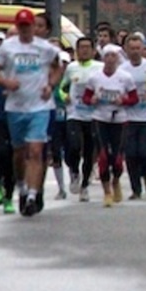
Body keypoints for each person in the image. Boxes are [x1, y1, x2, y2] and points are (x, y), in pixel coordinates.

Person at [0, 9, 62, 216]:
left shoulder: (45, 48)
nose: (25, 29)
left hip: (39, 106)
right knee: (19, 152)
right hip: (15, 107)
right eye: (21, 26)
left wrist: (51, 85)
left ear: (32, 26)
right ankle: (22, 185)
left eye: (27, 25)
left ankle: (32, 194)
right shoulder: (7, 47)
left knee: (36, 151)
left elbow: (58, 68)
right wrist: (6, 82)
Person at [82, 44, 139, 207]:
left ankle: (116, 180)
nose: (109, 60)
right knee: (103, 156)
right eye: (107, 56)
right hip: (100, 118)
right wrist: (92, 100)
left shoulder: (125, 77)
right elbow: (86, 97)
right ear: (103, 58)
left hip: (119, 119)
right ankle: (107, 192)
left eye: (113, 56)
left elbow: (134, 99)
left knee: (118, 159)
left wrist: (124, 101)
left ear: (117, 59)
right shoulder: (95, 77)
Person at [120, 34, 146, 200]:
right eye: (132, 49)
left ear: (143, 49)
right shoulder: (122, 69)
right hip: (128, 117)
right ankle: (136, 189)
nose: (135, 52)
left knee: (145, 152)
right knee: (131, 154)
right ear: (126, 50)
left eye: (138, 48)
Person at [61, 37, 99, 202]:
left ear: (93, 50)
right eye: (81, 47)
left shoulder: (99, 68)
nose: (84, 50)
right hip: (74, 114)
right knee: (73, 146)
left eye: (87, 47)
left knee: (89, 151)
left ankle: (84, 186)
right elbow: (61, 87)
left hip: (93, 115)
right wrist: (65, 96)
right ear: (76, 50)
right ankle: (74, 171)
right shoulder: (71, 68)